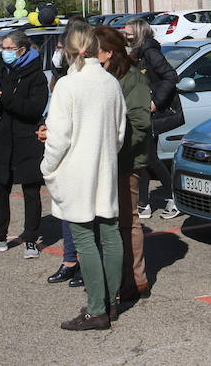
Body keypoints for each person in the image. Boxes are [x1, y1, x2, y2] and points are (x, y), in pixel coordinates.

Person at [41, 25, 126, 330]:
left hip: (77, 170)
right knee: (110, 232)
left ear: (68, 50)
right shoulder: (110, 82)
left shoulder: (67, 85)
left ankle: (96, 309)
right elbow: (119, 134)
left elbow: (58, 138)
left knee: (84, 238)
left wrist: (47, 166)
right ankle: (112, 301)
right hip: (105, 167)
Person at [0, 29, 49, 257]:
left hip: (28, 137)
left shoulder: (36, 75)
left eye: (8, 49)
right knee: (0, 187)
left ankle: (30, 239)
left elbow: (33, 109)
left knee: (31, 190)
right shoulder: (1, 69)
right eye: (2, 48)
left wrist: (6, 97)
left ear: (21, 50)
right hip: (4, 136)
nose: (4, 52)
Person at [96, 26, 153, 308]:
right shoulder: (99, 78)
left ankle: (135, 279)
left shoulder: (133, 81)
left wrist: (111, 142)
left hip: (125, 162)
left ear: (110, 52)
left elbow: (140, 125)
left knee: (127, 221)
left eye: (97, 52)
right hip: (101, 162)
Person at [46, 20, 92, 288]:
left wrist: (47, 165)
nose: (59, 50)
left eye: (64, 46)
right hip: (66, 154)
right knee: (66, 209)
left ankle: (87, 265)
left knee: (87, 216)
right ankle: (69, 261)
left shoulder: (94, 78)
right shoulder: (64, 76)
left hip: (81, 154)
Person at [123, 18, 180, 219]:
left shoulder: (150, 52)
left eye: (129, 33)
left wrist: (155, 102)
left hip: (152, 113)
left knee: (149, 158)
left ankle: (174, 197)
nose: (126, 36)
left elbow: (171, 76)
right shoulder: (137, 54)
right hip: (140, 112)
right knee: (144, 158)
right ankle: (144, 203)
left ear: (138, 34)